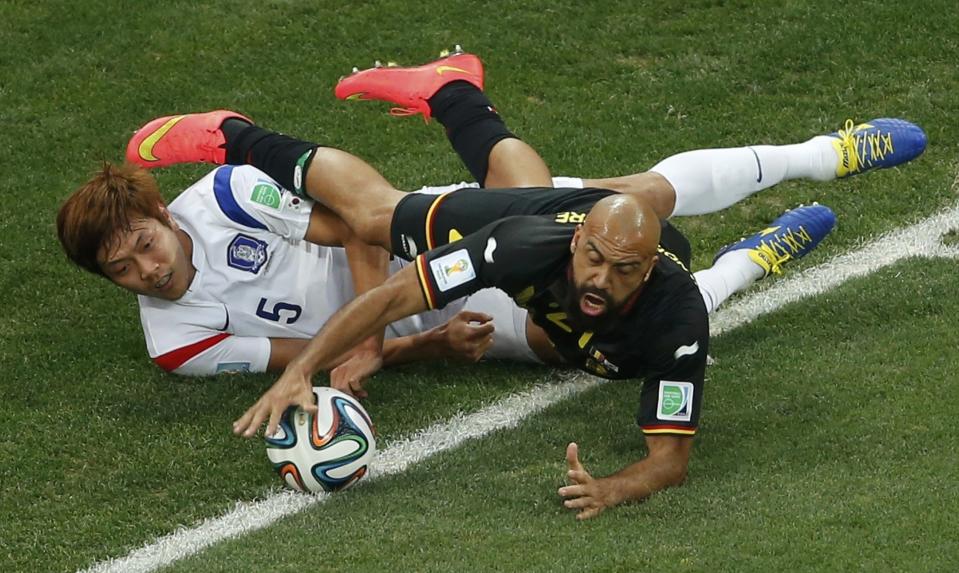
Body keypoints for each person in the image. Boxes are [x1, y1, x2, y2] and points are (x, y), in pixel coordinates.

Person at [122, 50, 926, 519]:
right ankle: (247, 131)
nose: (600, 275)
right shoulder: (533, 241)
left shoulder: (667, 307)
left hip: (604, 271)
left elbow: (668, 455)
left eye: (620, 269)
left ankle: (789, 202)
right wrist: (308, 365)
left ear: (643, 269)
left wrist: (610, 489)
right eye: (595, 261)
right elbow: (396, 297)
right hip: (540, 232)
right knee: (379, 217)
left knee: (632, 249)